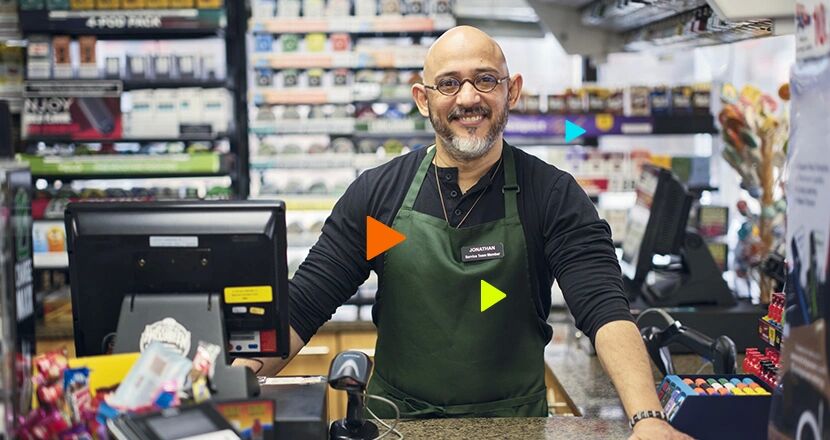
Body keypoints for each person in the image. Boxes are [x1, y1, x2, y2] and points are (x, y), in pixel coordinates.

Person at [244, 26, 690, 438]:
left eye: (486, 80)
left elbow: (604, 309)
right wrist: (231, 378)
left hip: (512, 428)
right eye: (449, 83)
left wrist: (648, 418)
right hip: (398, 425)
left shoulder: (550, 195)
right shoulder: (381, 196)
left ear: (511, 91)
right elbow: (304, 305)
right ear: (423, 98)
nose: (468, 97)